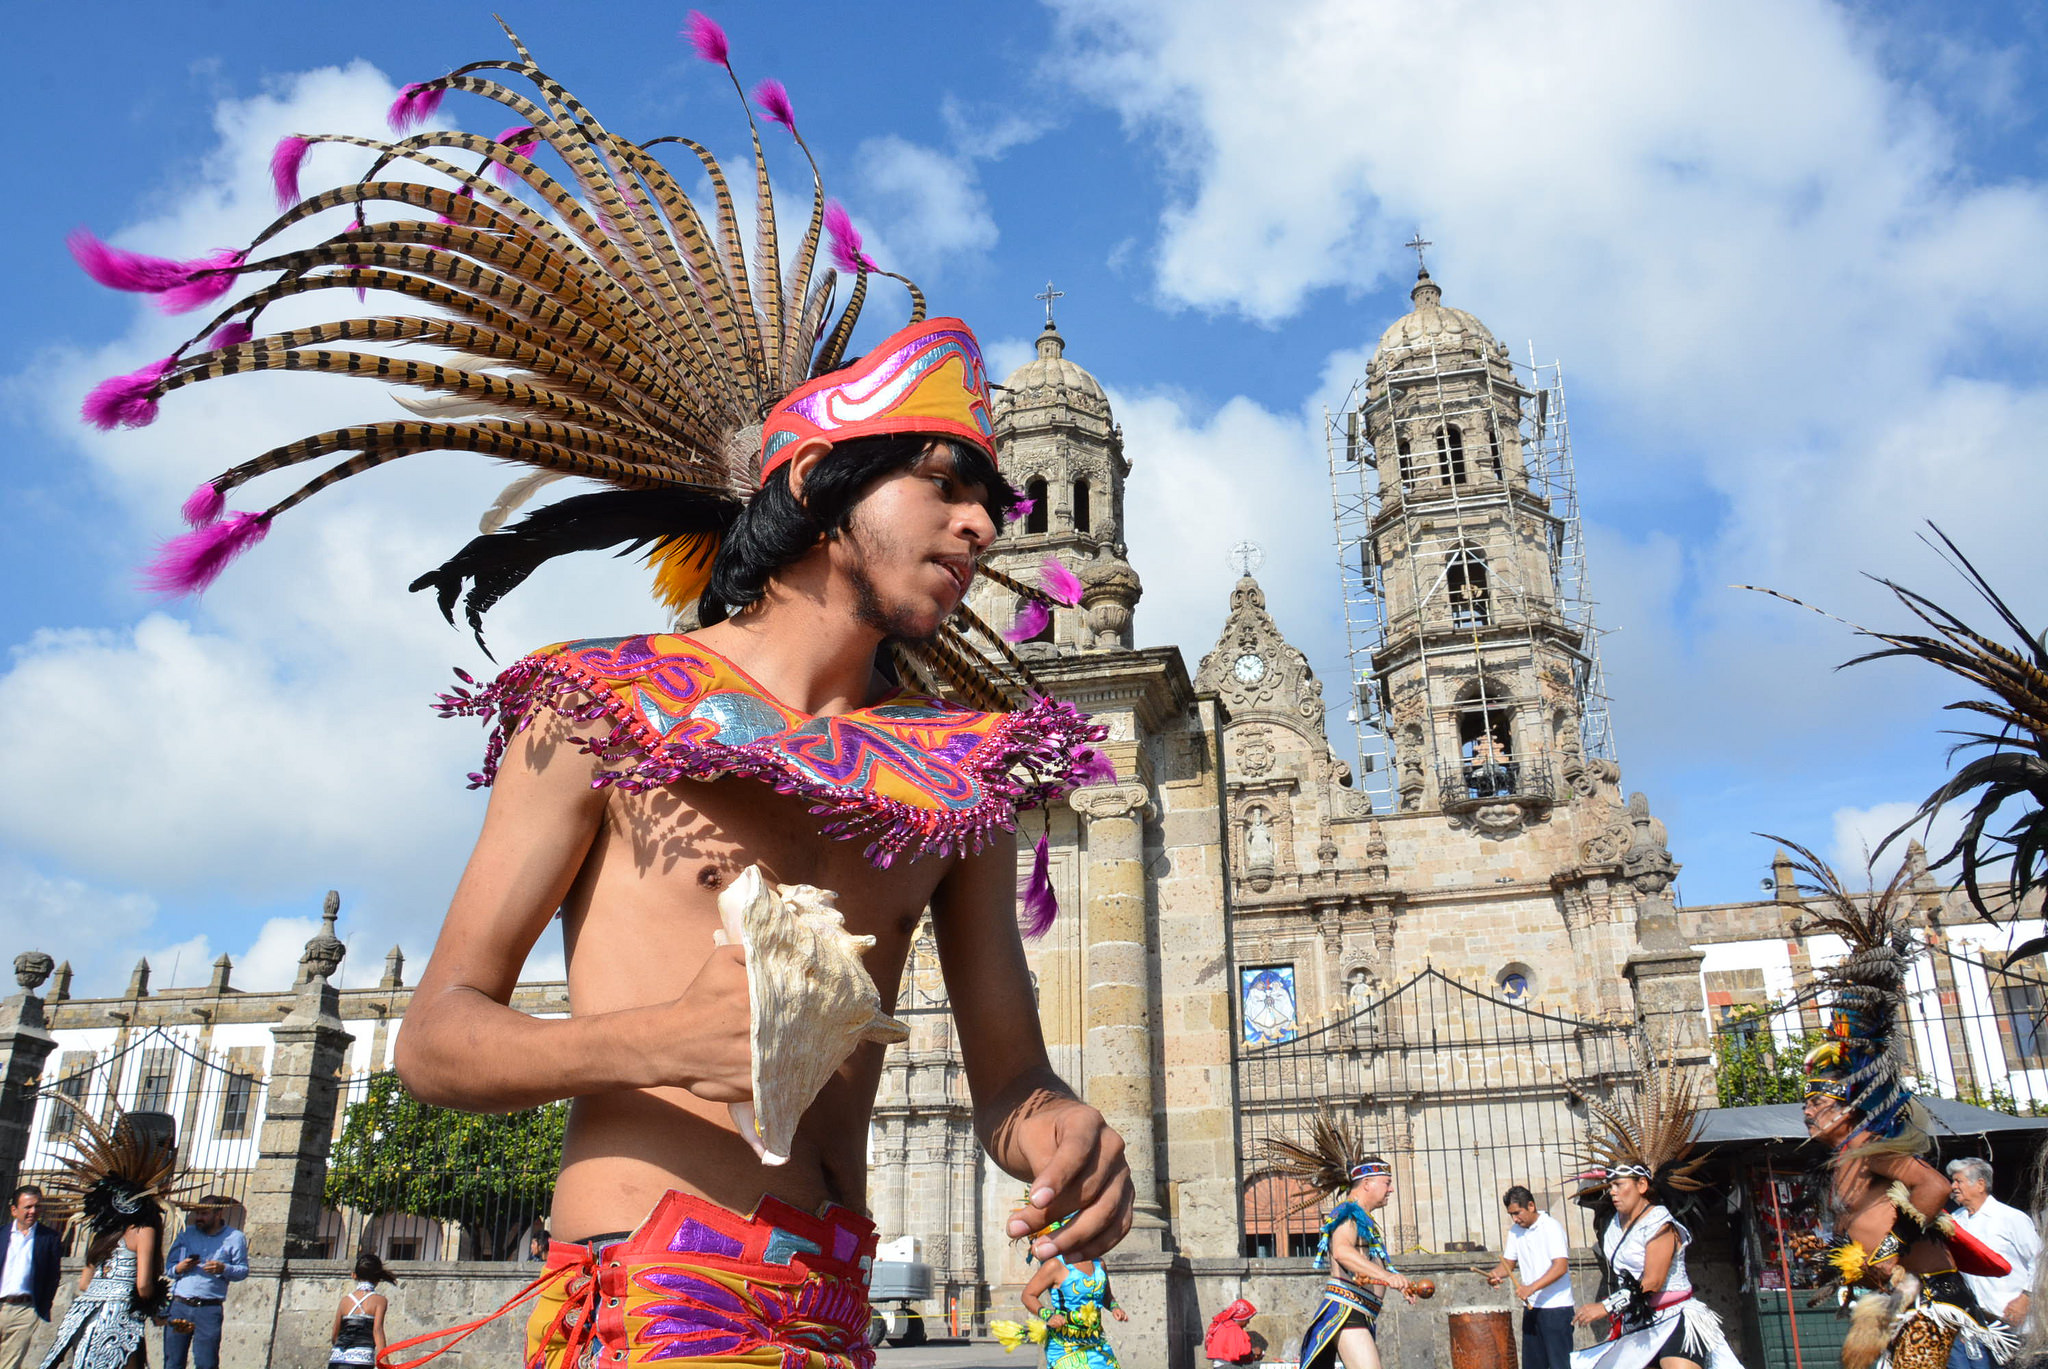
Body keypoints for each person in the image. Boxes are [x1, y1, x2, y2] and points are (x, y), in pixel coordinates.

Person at [69, 17, 1129, 1369]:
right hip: (642, 1311)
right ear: (818, 492)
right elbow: (439, 1039)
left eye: (998, 501)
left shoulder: (955, 783)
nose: (985, 527)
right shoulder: (598, 707)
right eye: (949, 488)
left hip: (835, 1319)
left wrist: (1060, 1135)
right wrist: (647, 1038)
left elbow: (1010, 1077)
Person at [1777, 840, 2014, 1369]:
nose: (1807, 1112)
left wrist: (1888, 1248)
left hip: (1928, 1303)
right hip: (1890, 1306)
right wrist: (1832, 1255)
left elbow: (1931, 1186)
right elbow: (1863, 1231)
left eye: (1816, 1102)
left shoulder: (1871, 1147)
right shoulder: (1840, 1163)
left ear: (1845, 1109)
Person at [1569, 1061, 1739, 1369]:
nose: (1613, 1192)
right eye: (1609, 1186)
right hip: (1638, 1323)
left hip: (1676, 1318)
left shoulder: (1661, 1223)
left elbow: (1653, 1280)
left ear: (1642, 1185)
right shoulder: (1613, 1227)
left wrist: (1604, 1307)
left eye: (1619, 1185)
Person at [1263, 1114, 1417, 1369]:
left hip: (1360, 1311)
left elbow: (1366, 1263)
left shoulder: (1363, 1219)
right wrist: (1387, 1277)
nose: (1391, 1189)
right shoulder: (1347, 1213)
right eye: (1387, 1183)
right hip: (1347, 1311)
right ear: (1367, 1183)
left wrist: (1398, 1282)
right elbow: (1342, 1251)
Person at [36, 1108, 185, 1369]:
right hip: (119, 1318)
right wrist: (158, 1307)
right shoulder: (144, 1230)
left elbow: (84, 1283)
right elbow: (142, 1287)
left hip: (84, 1314)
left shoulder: (103, 1232)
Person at [1949, 1158, 2040, 1335]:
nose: (1953, 1187)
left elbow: (2040, 1261)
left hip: (2017, 1323)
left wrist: (2026, 1298)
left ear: (1980, 1184)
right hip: (1976, 1327)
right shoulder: (1954, 1221)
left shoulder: (2011, 1218)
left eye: (1958, 1181)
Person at [1487, 1185, 1574, 1369]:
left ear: (1531, 1206)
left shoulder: (1551, 1227)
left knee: (1560, 1365)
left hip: (1557, 1309)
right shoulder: (1515, 1231)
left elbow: (1560, 1267)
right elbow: (1508, 1264)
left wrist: (1531, 1288)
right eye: (1511, 1214)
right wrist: (1495, 1274)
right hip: (1532, 1309)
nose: (1515, 1218)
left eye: (1518, 1213)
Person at [1019, 1230, 1127, 1369]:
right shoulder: (1055, 1265)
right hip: (1064, 1344)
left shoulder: (1099, 1263)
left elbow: (1106, 1295)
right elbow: (1028, 1295)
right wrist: (1049, 1315)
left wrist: (1114, 1307)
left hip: (1095, 1342)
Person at [162, 1197, 247, 1369]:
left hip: (209, 1309)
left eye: (204, 1214)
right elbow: (169, 1268)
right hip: (180, 1305)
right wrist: (180, 1267)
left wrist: (223, 1268)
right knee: (173, 1362)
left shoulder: (235, 1237)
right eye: (197, 1214)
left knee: (206, 1363)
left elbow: (243, 1271)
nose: (199, 1218)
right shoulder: (187, 1234)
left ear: (218, 1214)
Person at [0, 1186, 61, 1369]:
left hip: (24, 1311)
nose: (33, 1211)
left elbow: (52, 1277)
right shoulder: (1, 1234)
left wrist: (40, 1307)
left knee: (9, 1365)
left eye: (37, 1206)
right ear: (14, 1210)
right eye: (27, 1207)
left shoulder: (49, 1238)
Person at [327, 1254, 394, 1368]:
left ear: (355, 1275)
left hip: (338, 1359)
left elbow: (335, 1335)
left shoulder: (345, 1301)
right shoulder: (380, 1301)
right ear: (378, 1279)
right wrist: (384, 1360)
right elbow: (377, 1330)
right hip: (361, 1360)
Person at [1204, 1298, 1257, 1366]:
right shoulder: (1233, 1329)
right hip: (1227, 1365)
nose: (1248, 1322)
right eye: (1247, 1319)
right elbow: (1240, 1353)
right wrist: (1253, 1352)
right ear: (1241, 1317)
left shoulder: (1224, 1326)